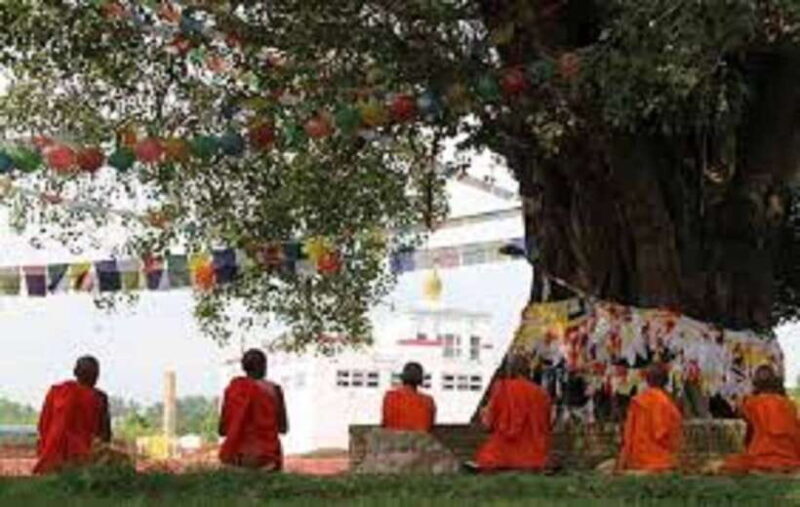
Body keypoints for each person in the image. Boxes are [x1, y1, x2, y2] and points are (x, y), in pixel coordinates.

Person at [470, 355, 552, 472]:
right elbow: (547, 426)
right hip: (535, 454)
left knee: (489, 455)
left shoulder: (502, 388)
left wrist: (483, 413)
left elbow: (489, 423)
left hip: (502, 453)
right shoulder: (542, 394)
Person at [33, 356, 112, 474]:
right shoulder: (99, 397)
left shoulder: (57, 392)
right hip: (84, 457)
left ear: (75, 372)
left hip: (53, 455)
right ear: (97, 375)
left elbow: (43, 425)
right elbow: (105, 434)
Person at [721, 365, 800, 474]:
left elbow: (739, 411)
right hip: (790, 455)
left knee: (732, 463)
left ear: (755, 384)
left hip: (762, 454)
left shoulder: (752, 403)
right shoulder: (790, 405)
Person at [219, 349, 288, 470]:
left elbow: (222, 430)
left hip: (236, 458)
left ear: (243, 367)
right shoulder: (274, 390)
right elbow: (283, 428)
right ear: (264, 366)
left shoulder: (232, 390)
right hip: (267, 458)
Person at [616, 362, 682, 474]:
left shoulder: (637, 401)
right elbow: (664, 433)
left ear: (647, 380)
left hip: (636, 459)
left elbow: (628, 434)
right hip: (661, 460)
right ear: (666, 381)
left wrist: (623, 460)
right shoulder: (666, 404)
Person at [381, 362, 436, 432]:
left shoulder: (390, 397)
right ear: (420, 380)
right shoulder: (428, 401)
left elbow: (385, 424)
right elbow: (429, 427)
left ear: (403, 379)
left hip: (394, 441)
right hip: (418, 441)